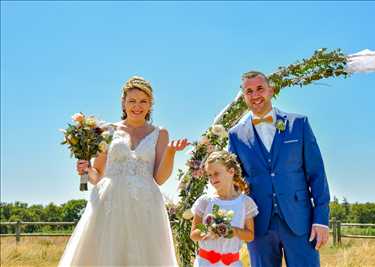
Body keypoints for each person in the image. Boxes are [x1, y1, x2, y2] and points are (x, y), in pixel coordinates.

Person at [58, 76, 188, 266]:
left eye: (143, 101)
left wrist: (170, 152)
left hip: (146, 205)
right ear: (123, 103)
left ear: (150, 104)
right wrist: (86, 170)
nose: (137, 106)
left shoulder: (160, 133)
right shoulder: (107, 130)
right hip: (110, 204)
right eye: (132, 101)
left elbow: (159, 178)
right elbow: (97, 175)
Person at [227, 71, 330, 267]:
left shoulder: (298, 124)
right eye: (249, 91)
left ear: (271, 91)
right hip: (258, 225)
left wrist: (321, 220)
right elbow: (233, 181)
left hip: (300, 221)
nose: (255, 95)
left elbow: (317, 174)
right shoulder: (235, 135)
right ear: (243, 97)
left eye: (260, 89)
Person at [190, 150, 259, 267]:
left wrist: (233, 231)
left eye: (216, 173)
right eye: (209, 175)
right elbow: (194, 234)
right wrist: (209, 229)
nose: (212, 179)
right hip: (205, 262)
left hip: (232, 263)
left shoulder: (245, 203)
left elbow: (250, 235)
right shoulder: (206, 201)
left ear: (231, 171)